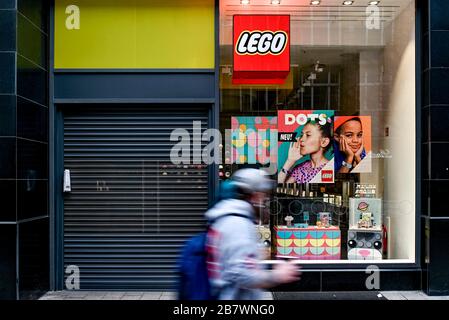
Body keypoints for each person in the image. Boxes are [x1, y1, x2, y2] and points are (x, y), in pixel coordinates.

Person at [205, 168, 300, 300]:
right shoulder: (237, 224)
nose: (264, 202)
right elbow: (241, 274)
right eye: (263, 196)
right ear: (254, 196)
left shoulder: (229, 217)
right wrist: (278, 275)